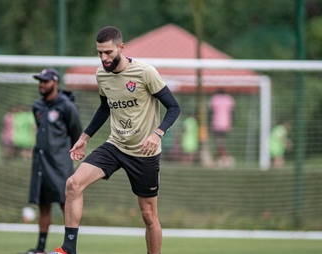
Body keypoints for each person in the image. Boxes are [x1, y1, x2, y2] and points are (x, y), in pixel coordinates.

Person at [47, 26, 180, 254]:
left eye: (108, 52)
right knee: (73, 184)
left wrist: (157, 134)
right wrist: (84, 137)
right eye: (99, 53)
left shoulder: (145, 72)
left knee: (149, 216)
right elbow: (104, 108)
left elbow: (174, 107)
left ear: (121, 47)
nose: (103, 58)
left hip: (143, 153)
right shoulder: (101, 74)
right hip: (115, 145)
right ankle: (68, 249)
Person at [23, 68, 82, 254]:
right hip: (40, 161)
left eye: (45, 81)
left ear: (55, 82)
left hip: (60, 163)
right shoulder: (37, 106)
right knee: (43, 204)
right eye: (39, 81)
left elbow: (76, 134)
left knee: (67, 202)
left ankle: (70, 246)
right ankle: (40, 248)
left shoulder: (66, 106)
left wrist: (70, 156)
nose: (41, 84)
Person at [209, 88, 235, 168]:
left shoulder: (214, 98)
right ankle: (220, 159)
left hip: (217, 123)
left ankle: (226, 159)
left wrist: (209, 123)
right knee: (220, 143)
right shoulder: (229, 99)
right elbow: (233, 112)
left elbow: (211, 112)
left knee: (219, 143)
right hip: (226, 123)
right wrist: (232, 123)